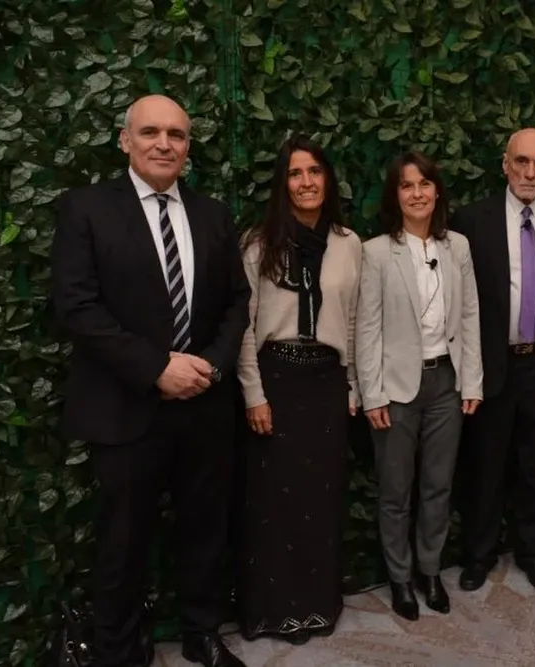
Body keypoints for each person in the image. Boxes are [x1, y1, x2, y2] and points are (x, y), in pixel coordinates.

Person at [50, 94, 250, 667]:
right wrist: (156, 367)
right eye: (151, 132)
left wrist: (210, 364)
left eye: (177, 135)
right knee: (122, 541)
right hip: (125, 405)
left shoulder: (213, 214)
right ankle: (118, 652)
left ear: (188, 147)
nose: (164, 144)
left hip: (205, 404)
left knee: (205, 529)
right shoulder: (85, 208)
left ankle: (202, 634)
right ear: (125, 140)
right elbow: (77, 307)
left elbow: (238, 300)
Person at [235, 134, 361, 645]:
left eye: (314, 171)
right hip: (277, 379)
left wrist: (352, 386)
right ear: (282, 183)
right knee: (274, 502)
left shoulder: (349, 243)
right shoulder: (258, 242)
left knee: (321, 498)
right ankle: (273, 611)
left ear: (327, 179)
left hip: (327, 383)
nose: (306, 182)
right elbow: (245, 325)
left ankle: (315, 606)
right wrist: (253, 393)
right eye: (294, 173)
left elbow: (352, 322)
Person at [450, 128, 535, 593]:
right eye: (522, 162)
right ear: (505, 164)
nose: (530, 173)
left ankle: (533, 553)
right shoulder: (472, 221)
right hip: (492, 364)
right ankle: (479, 555)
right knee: (485, 467)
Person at [356, 152, 483, 621]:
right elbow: (365, 329)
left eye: (425, 184)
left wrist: (472, 381)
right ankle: (400, 579)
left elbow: (469, 316)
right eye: (407, 186)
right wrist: (372, 393)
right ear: (395, 195)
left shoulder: (459, 248)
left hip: (447, 382)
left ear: (437, 191)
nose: (417, 193)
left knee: (437, 486)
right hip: (395, 389)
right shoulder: (375, 252)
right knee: (395, 491)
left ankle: (430, 571)